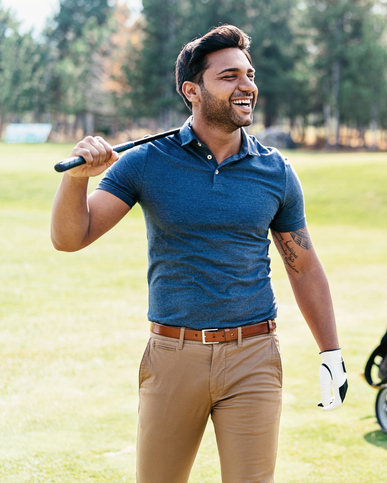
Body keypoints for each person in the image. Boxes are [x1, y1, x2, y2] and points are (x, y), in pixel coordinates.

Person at [50, 24, 347, 483]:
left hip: (254, 355)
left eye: (248, 75)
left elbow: (303, 265)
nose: (246, 85)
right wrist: (77, 178)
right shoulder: (146, 161)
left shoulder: (275, 170)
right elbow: (70, 237)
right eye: (229, 77)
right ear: (193, 90)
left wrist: (331, 351)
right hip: (173, 355)